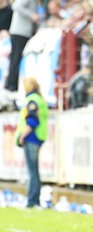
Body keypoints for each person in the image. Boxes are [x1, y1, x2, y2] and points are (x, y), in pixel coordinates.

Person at [15, 76, 48, 208]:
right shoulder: (39, 99)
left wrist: (23, 136)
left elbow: (32, 121)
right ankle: (35, 200)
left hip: (31, 138)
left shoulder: (32, 100)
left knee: (32, 172)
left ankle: (32, 201)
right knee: (34, 171)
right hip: (38, 138)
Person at [4, 0, 44, 93]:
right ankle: (11, 85)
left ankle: (14, 84)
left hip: (24, 31)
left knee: (17, 58)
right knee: (15, 58)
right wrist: (32, 15)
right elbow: (16, 6)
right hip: (19, 31)